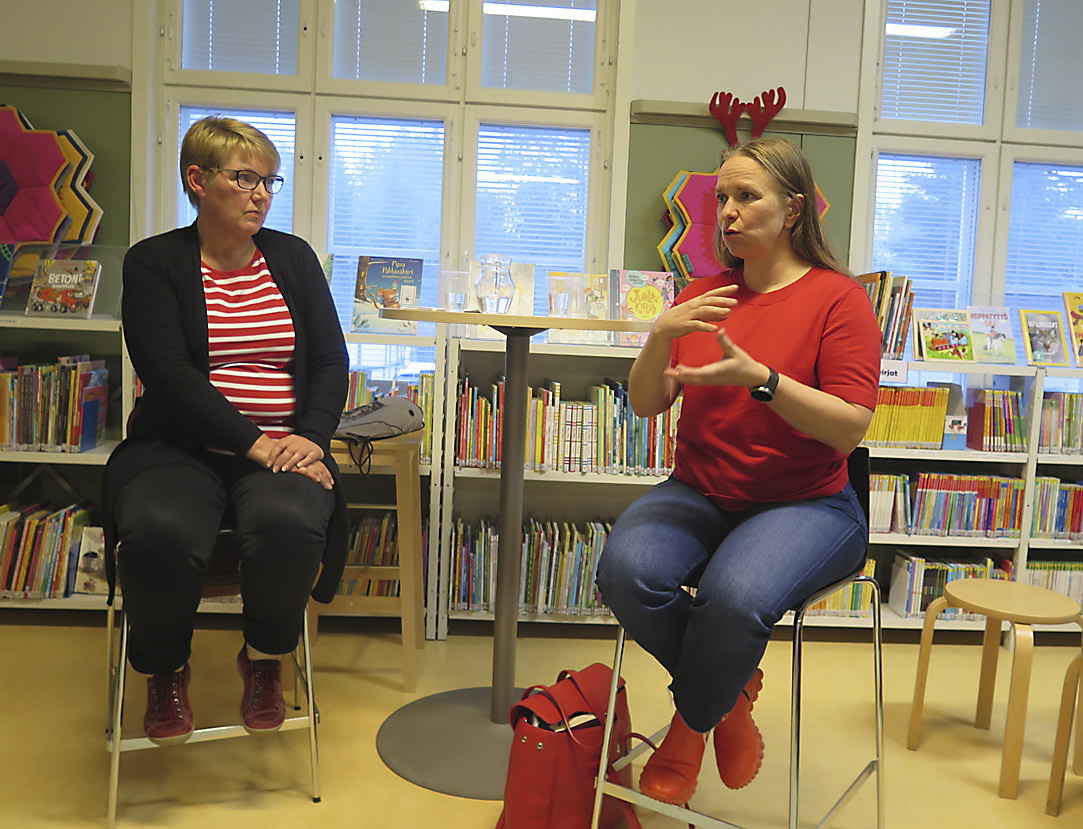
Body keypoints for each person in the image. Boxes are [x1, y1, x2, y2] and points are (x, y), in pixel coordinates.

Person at [595, 137, 881, 805]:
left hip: (807, 502)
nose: (726, 210)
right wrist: (660, 334)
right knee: (624, 573)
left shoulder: (839, 300)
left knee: (733, 597)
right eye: (721, 197)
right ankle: (728, 693)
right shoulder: (703, 295)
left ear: (793, 210)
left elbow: (848, 427)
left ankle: (689, 726)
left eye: (746, 196)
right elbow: (646, 403)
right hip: (699, 491)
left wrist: (763, 379)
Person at [103, 116, 349, 746]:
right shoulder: (153, 262)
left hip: (285, 445)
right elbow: (168, 375)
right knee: (158, 528)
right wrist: (258, 444)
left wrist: (312, 440)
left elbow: (329, 360)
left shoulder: (292, 258)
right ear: (197, 179)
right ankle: (165, 668)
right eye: (244, 179)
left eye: (269, 181)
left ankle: (264, 659)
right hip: (177, 448)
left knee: (291, 522)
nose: (260, 194)